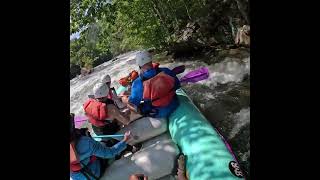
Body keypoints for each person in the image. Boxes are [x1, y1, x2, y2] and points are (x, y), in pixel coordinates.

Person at [70, 113, 132, 180]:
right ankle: (129, 150)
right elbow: (110, 153)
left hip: (78, 177)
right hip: (93, 174)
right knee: (109, 143)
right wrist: (125, 140)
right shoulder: (86, 142)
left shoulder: (85, 142)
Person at [121, 50, 181, 118]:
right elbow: (177, 85)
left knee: (130, 104)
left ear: (139, 65)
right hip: (174, 103)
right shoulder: (165, 71)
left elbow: (134, 103)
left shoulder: (138, 82)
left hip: (158, 112)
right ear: (150, 60)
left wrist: (125, 100)